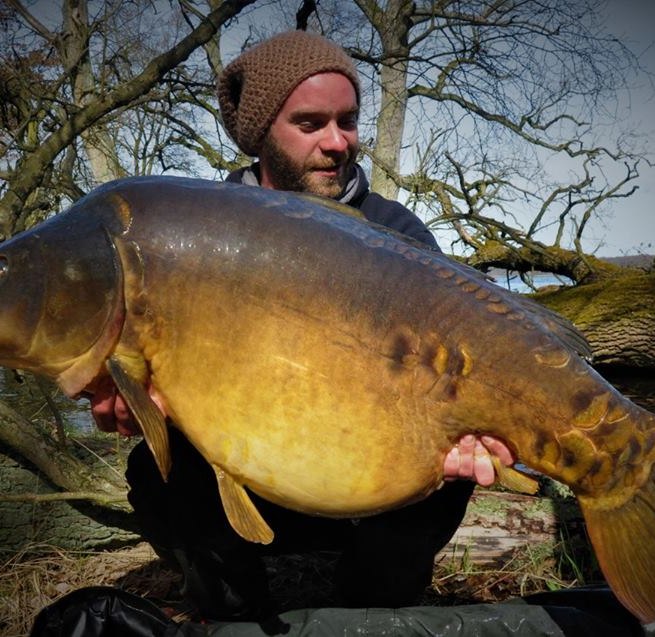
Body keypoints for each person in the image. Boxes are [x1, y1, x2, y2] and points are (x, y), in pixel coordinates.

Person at [90, 30, 514, 622]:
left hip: (368, 482)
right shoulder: (200, 235)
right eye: (311, 124)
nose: (338, 143)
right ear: (262, 132)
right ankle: (233, 611)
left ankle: (376, 610)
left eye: (349, 121)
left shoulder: (398, 233)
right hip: (255, 475)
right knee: (156, 474)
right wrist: (138, 402)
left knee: (451, 472)